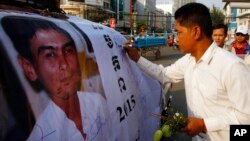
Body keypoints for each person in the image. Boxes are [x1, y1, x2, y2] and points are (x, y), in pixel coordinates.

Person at [124, 3, 250, 141]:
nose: (176, 38)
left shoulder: (232, 66)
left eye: (179, 32)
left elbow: (246, 119)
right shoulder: (189, 61)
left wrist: (203, 124)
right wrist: (137, 58)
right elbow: (163, 74)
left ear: (196, 32)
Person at [2, 16, 111, 141]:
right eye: (50, 55)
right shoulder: (41, 136)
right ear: (30, 69)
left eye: (68, 50)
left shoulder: (97, 103)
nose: (64, 64)